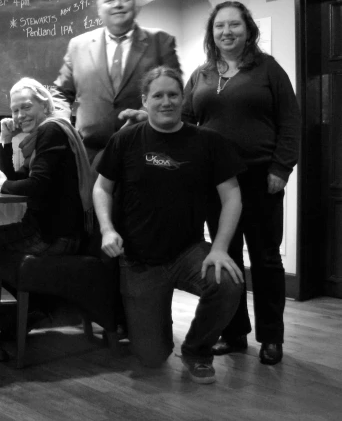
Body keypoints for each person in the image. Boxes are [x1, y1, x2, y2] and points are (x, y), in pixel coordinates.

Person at [93, 67, 245, 384]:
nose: (166, 101)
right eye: (158, 95)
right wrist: (107, 228)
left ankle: (196, 350)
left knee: (228, 282)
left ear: (183, 98)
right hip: (138, 260)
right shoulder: (125, 140)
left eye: (173, 94)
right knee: (150, 357)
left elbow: (232, 196)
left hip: (186, 253)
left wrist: (219, 249)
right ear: (145, 101)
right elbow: (101, 188)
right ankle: (159, 322)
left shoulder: (207, 142)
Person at [183, 1, 301, 365]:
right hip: (215, 184)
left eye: (234, 25)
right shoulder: (201, 75)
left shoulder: (268, 70)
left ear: (248, 30)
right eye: (220, 26)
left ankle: (271, 337)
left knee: (265, 260)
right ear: (212, 33)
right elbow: (185, 124)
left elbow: (291, 122)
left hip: (260, 178)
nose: (227, 32)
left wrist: (281, 169)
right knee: (227, 259)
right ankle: (234, 333)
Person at [0, 78, 94, 327]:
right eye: (15, 110)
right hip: (51, 231)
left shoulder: (51, 130)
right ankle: (41, 305)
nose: (19, 115)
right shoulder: (42, 137)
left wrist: (3, 186)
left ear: (45, 105)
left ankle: (40, 306)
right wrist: (5, 140)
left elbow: (36, 186)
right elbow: (16, 179)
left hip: (54, 236)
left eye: (26, 107)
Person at [52, 0, 181, 167]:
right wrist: (63, 125)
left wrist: (147, 114)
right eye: (109, 0)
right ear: (99, 10)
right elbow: (60, 93)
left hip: (145, 147)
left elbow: (174, 91)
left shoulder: (161, 41)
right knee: (91, 198)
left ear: (136, 5)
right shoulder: (78, 46)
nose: (117, 5)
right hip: (88, 153)